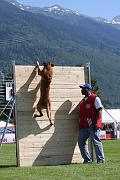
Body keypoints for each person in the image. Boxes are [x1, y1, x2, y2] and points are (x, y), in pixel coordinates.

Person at [78, 83, 105, 164]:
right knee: (81, 142)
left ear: (88, 89)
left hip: (93, 125)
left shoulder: (95, 98)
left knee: (96, 142)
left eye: (83, 88)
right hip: (84, 125)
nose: (81, 90)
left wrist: (95, 123)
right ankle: (87, 160)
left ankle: (100, 160)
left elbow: (99, 110)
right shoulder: (83, 101)